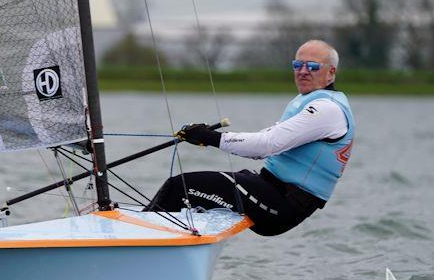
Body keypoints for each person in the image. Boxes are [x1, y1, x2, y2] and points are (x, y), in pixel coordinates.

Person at [145, 39, 354, 236]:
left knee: (179, 186)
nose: (303, 71)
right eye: (297, 65)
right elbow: (265, 139)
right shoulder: (311, 102)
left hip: (283, 206)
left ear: (331, 72)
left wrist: (211, 138)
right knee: (190, 192)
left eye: (312, 66)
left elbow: (266, 145)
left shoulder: (327, 110)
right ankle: (156, 231)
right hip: (270, 189)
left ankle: (143, 236)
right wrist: (207, 136)